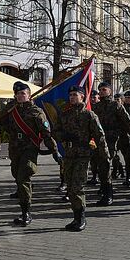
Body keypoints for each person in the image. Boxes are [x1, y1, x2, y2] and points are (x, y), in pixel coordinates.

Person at [52, 86, 108, 231]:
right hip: (69, 154)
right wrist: (62, 136)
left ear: (82, 96)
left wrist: (104, 155)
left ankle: (81, 218)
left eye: (75, 95)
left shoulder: (89, 115)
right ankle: (75, 217)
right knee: (70, 187)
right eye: (70, 95)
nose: (72, 97)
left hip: (83, 154)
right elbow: (56, 131)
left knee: (77, 187)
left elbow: (100, 137)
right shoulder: (65, 115)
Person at [5, 81, 59, 226]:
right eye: (18, 94)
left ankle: (26, 213)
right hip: (14, 149)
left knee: (23, 178)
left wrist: (54, 151)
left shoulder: (36, 111)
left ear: (29, 95)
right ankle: (25, 199)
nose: (20, 96)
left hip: (29, 149)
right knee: (17, 176)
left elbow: (46, 133)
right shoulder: (10, 109)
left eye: (23, 93)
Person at [92, 82, 130, 206]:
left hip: (112, 139)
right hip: (98, 140)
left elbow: (128, 122)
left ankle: (109, 194)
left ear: (110, 92)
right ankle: (105, 188)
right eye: (100, 89)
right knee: (100, 165)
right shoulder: (96, 107)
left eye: (104, 89)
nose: (101, 91)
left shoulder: (116, 105)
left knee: (106, 164)